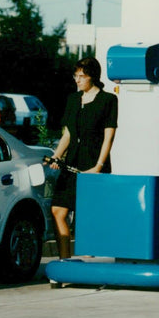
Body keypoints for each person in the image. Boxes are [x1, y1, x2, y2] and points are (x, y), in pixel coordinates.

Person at [47, 56, 118, 259]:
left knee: (89, 215)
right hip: (72, 165)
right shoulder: (72, 99)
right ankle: (64, 260)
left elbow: (109, 136)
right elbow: (68, 134)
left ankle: (94, 260)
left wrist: (99, 166)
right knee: (58, 210)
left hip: (93, 164)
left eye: (81, 76)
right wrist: (56, 156)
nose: (77, 80)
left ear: (92, 77)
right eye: (75, 76)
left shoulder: (108, 100)